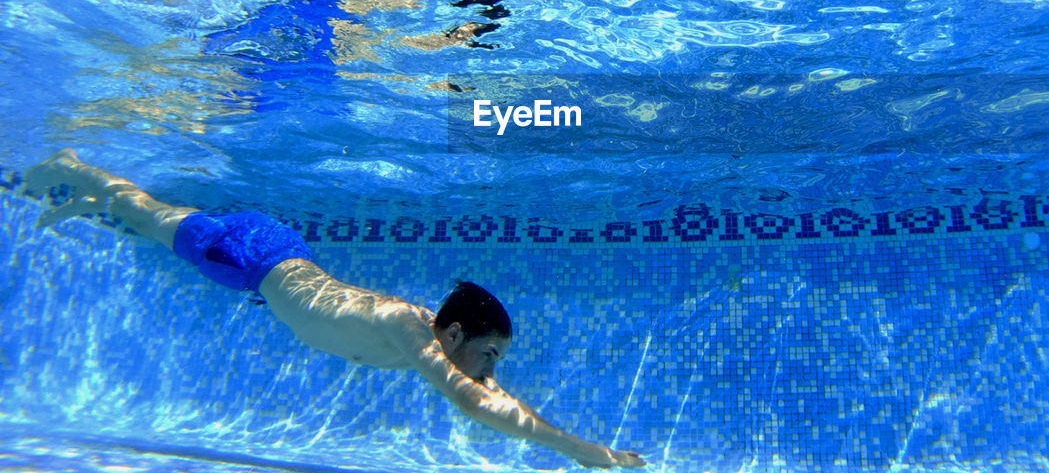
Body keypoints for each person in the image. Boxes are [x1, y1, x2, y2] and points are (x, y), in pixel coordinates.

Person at [21, 149, 645, 469]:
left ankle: (92, 208)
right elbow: (470, 402)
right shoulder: (409, 329)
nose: (490, 368)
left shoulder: (448, 349)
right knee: (147, 214)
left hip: (264, 277)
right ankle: (83, 173)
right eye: (488, 352)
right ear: (453, 333)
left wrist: (584, 445)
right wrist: (580, 452)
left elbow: (492, 395)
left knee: (153, 229)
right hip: (253, 257)